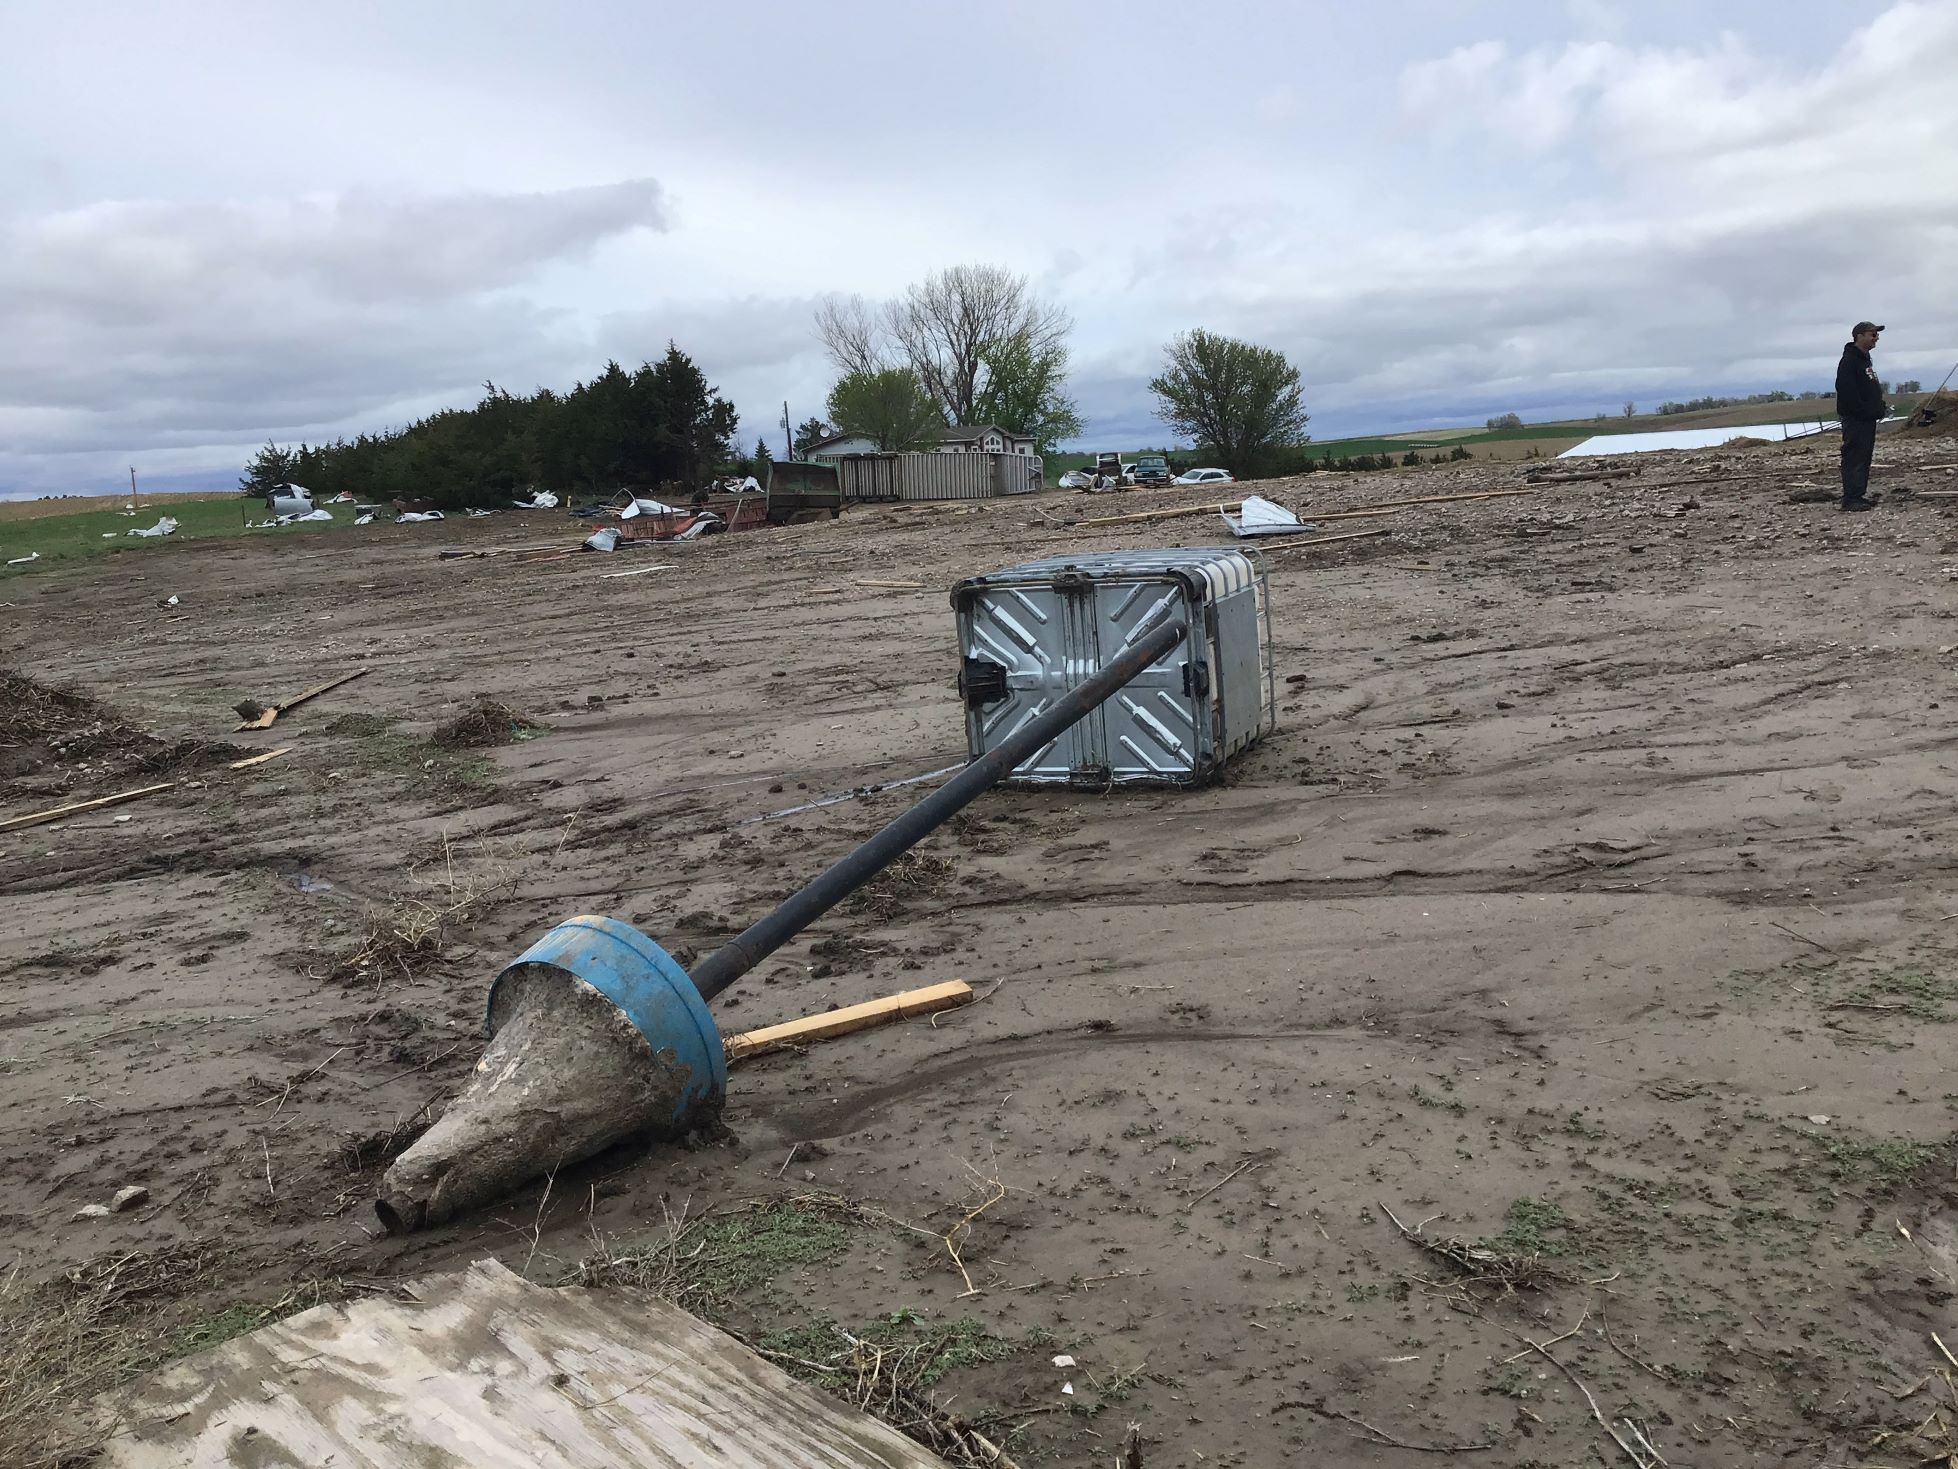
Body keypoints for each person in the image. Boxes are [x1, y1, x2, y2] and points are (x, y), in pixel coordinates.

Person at [1834, 321, 1889, 511]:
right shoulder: (1849, 361)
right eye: (1872, 334)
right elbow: (1847, 392)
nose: (1876, 338)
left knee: (1864, 456)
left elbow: (1869, 389)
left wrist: (1878, 406)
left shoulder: (1865, 360)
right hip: (1856, 419)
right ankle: (1851, 498)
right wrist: (1865, 410)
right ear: (1859, 336)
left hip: (1867, 418)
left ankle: (1859, 494)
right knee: (1854, 456)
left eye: (1877, 335)